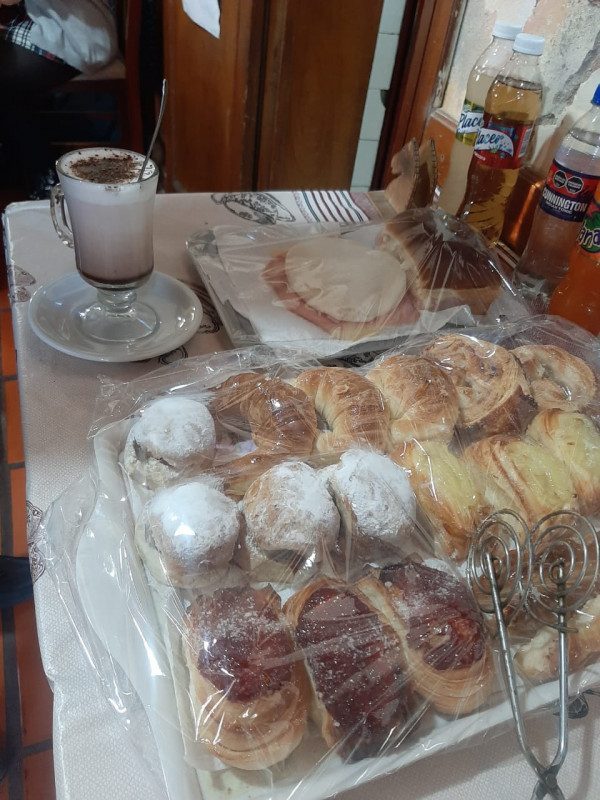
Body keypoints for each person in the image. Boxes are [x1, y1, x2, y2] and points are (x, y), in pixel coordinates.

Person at [0, 0, 119, 198]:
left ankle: (42, 174)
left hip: (80, 37)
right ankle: (20, 164)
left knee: (5, 79)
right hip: (53, 23)